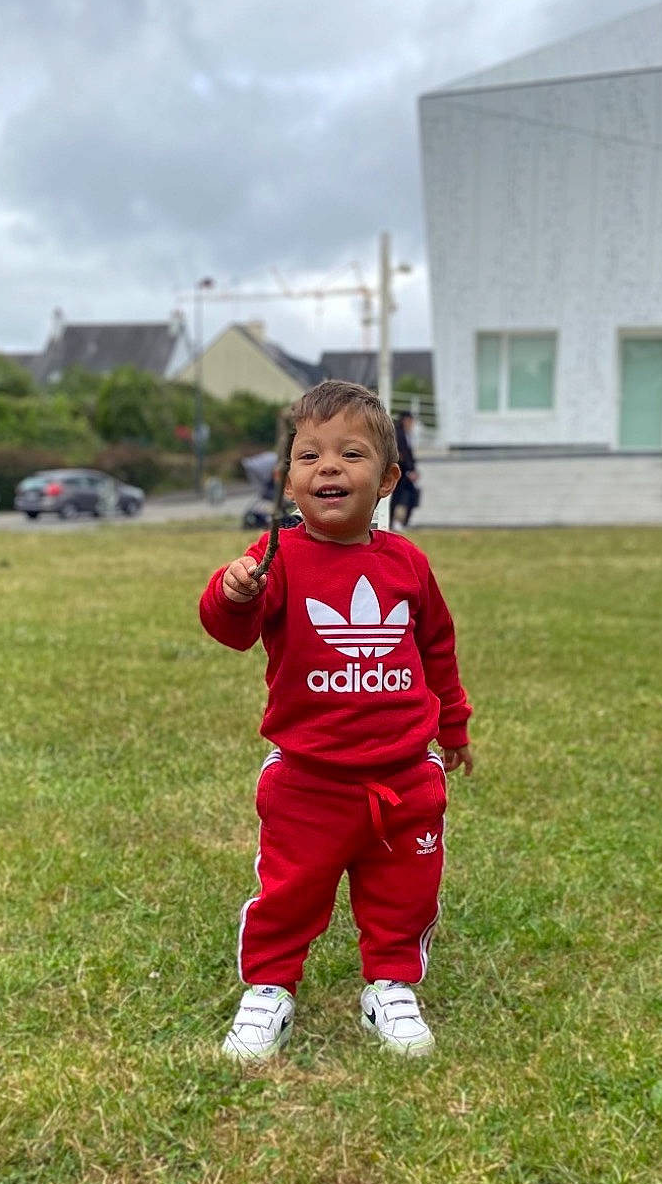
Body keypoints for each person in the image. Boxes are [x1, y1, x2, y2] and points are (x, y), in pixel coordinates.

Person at [199, 379, 473, 1062]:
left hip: (404, 777)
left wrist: (455, 727)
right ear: (288, 482)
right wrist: (231, 594)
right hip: (308, 780)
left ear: (387, 479)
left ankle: (391, 984)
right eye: (308, 455)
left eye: (350, 454)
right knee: (289, 892)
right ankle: (269, 988)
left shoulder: (408, 563)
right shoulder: (275, 560)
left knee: (404, 894)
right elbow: (229, 630)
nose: (327, 467)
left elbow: (436, 646)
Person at [391, 407, 421, 527]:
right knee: (396, 497)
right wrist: (410, 471)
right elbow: (401, 455)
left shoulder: (407, 435)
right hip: (400, 472)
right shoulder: (398, 434)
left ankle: (403, 522)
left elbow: (409, 454)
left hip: (406, 472)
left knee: (412, 495)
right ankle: (394, 521)